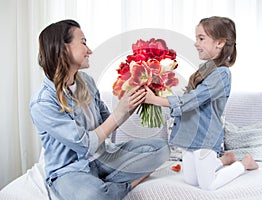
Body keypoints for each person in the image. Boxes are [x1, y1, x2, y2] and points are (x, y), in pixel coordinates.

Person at [30, 19, 170, 200]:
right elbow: (84, 144)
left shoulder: (86, 81)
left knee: (160, 149)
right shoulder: (43, 102)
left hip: (103, 158)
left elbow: (107, 124)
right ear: (63, 48)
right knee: (93, 195)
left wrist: (131, 104)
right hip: (70, 170)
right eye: (83, 42)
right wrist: (120, 111)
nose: (89, 50)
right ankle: (124, 186)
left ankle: (106, 186)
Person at [144, 16, 258, 190]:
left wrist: (155, 100)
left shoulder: (222, 74)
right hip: (191, 134)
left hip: (204, 135)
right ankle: (224, 160)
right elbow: (188, 96)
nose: (196, 43)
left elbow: (192, 100)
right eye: (196, 38)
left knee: (208, 185)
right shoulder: (206, 68)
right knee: (190, 180)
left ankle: (244, 164)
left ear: (220, 43)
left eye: (201, 38)